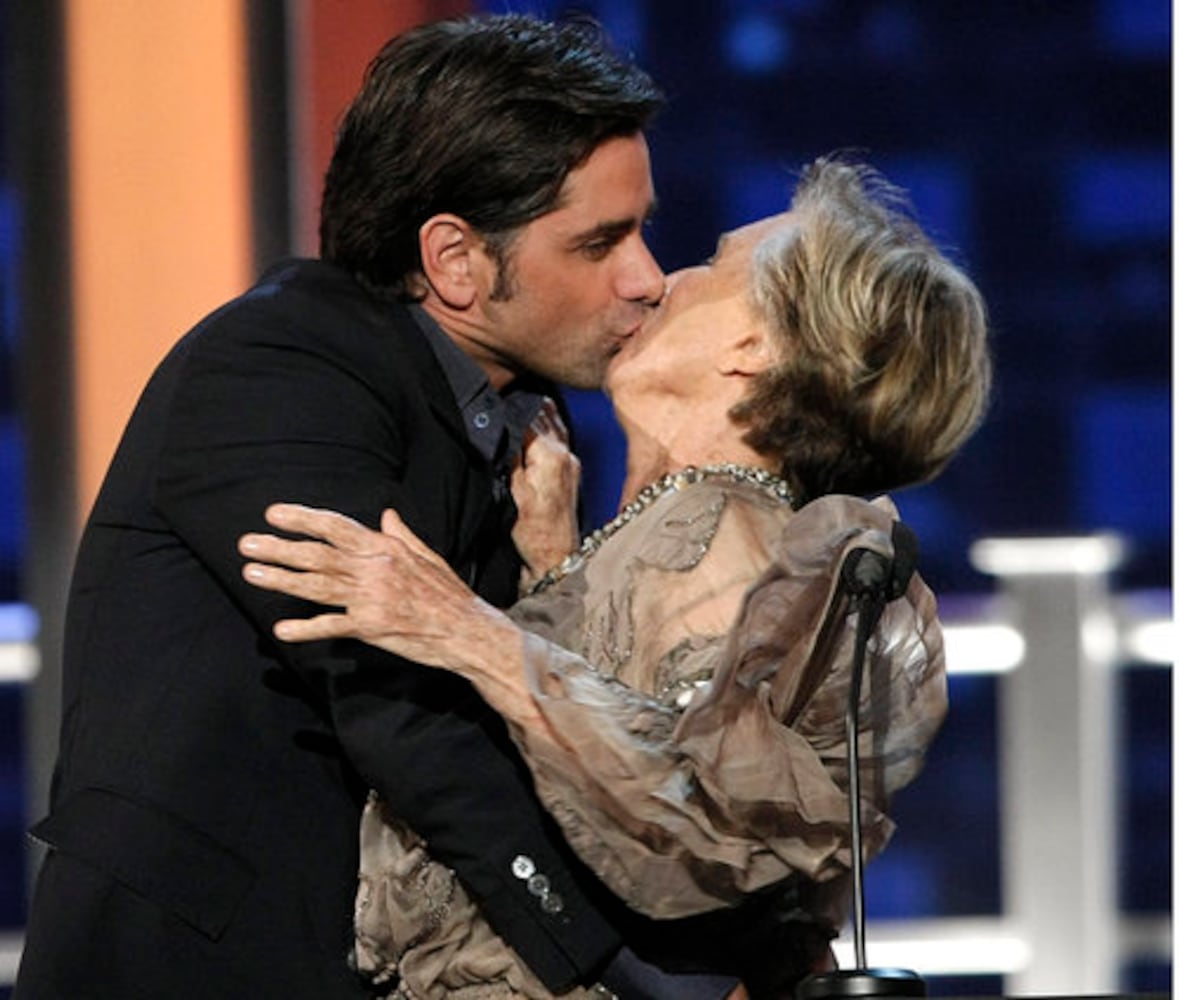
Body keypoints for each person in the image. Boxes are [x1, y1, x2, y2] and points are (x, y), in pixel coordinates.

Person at [14, 13, 741, 999]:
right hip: (197, 964)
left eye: (641, 230)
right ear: (454, 260)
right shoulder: (278, 368)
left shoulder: (526, 420)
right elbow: (400, 708)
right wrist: (649, 976)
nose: (646, 278)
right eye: (600, 241)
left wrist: (553, 563)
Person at [238, 156, 993, 999]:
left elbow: (701, 828)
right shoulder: (709, 527)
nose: (661, 280)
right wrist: (554, 567)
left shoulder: (721, 533)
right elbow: (633, 728)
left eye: (711, 265)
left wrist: (461, 627)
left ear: (754, 348)